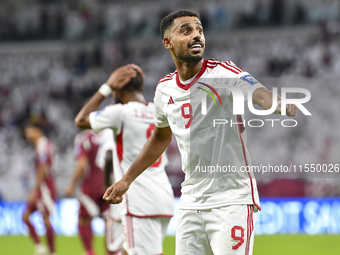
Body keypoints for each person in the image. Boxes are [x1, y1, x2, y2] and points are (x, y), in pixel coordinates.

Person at [102, 10, 298, 255]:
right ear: (168, 42)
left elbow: (259, 93)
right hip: (191, 201)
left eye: (199, 30)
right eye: (186, 30)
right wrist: (126, 180)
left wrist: (277, 104)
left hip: (232, 199)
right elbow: (161, 136)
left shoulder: (223, 73)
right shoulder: (164, 89)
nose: (197, 35)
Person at [75, 64, 174, 255]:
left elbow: (81, 119)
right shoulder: (158, 111)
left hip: (139, 201)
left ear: (118, 89)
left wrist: (106, 86)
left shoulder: (120, 112)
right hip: (164, 197)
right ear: (142, 88)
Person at [65, 129, 110, 255]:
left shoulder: (84, 138)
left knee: (84, 220)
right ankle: (110, 252)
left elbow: (82, 163)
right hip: (109, 185)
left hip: (90, 186)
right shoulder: (109, 134)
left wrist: (72, 185)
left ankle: (90, 251)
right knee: (109, 221)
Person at [23, 122, 57, 255]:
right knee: (25, 216)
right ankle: (40, 247)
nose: (26, 134)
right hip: (43, 188)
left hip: (45, 189)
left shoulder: (43, 145)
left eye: (28, 130)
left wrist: (36, 189)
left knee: (46, 218)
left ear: (37, 130)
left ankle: (52, 252)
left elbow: (43, 167)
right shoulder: (42, 145)